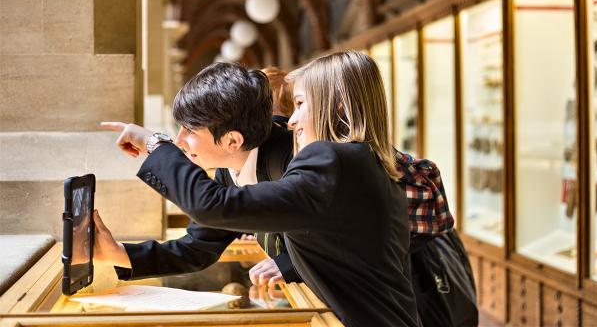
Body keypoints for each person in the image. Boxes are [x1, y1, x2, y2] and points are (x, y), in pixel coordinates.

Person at [103, 51, 421, 327]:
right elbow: (199, 245)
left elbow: (213, 206)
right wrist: (116, 254)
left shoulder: (328, 158)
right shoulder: (348, 158)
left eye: (299, 104)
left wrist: (154, 143)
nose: (290, 120)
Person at [96, 62, 300, 286]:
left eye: (190, 130)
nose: (179, 141)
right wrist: (115, 253)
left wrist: (292, 265)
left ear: (232, 140)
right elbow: (198, 247)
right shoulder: (230, 166)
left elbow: (334, 233)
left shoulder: (294, 158)